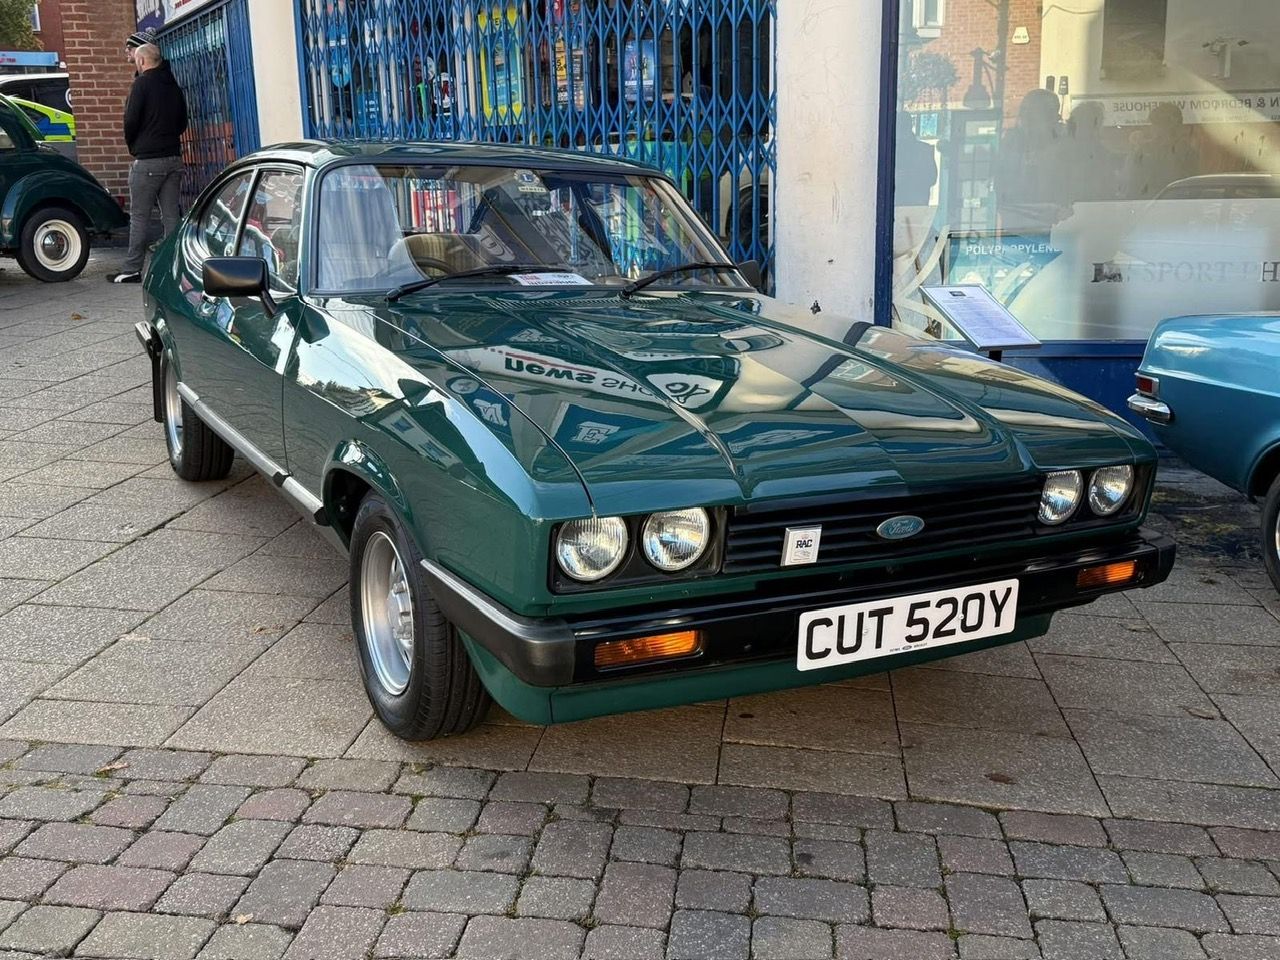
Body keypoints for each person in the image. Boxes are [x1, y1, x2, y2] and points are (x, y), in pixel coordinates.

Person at [108, 41, 188, 284]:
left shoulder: (141, 84)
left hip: (148, 160)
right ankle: (175, 266)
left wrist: (134, 146)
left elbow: (130, 120)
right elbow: (182, 122)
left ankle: (132, 269)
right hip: (174, 158)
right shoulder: (174, 86)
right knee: (171, 215)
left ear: (142, 61)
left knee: (140, 217)